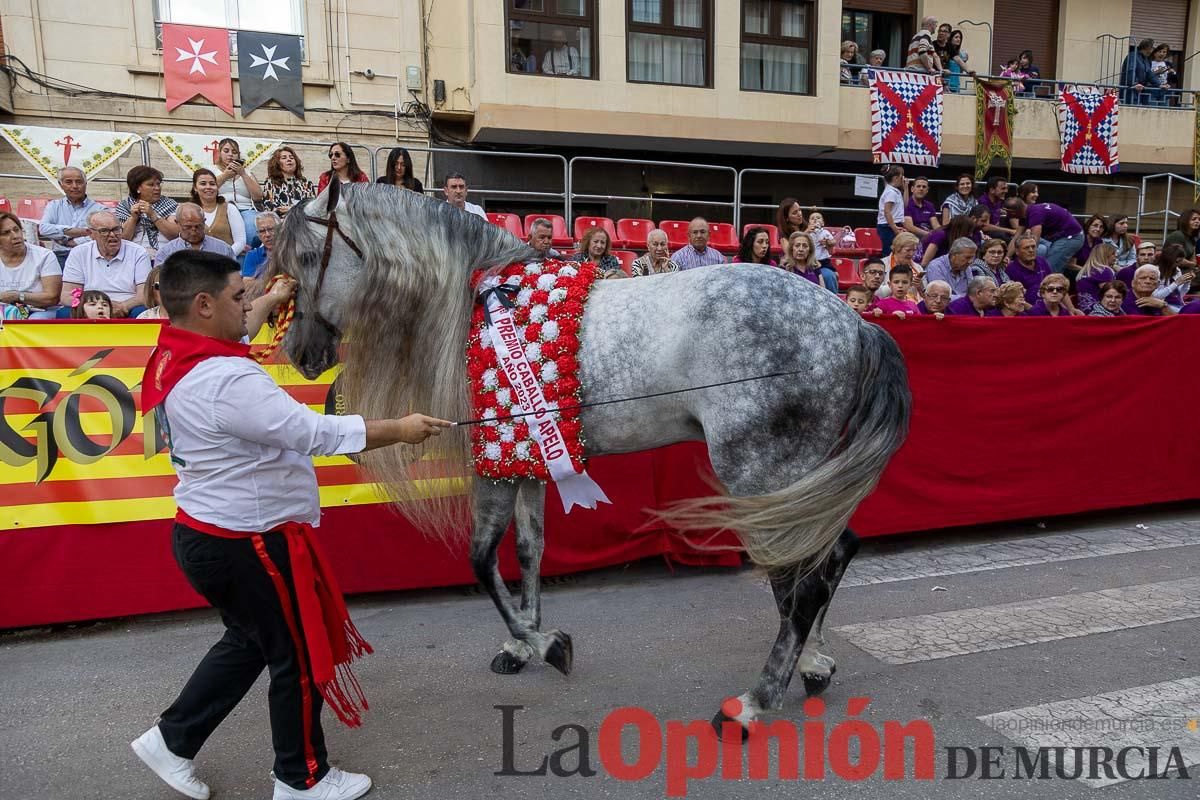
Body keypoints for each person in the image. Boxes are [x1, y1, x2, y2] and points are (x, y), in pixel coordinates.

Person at [131, 250, 450, 800]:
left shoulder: (180, 344)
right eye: (239, 296)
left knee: (249, 641)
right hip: (247, 542)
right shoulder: (227, 380)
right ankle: (301, 778)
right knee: (298, 655)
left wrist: (275, 298)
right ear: (204, 305)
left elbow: (239, 328)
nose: (248, 304)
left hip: (207, 532)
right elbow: (313, 433)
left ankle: (172, 739)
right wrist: (400, 427)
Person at [60, 210, 152, 318]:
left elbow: (145, 295)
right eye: (104, 231)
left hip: (127, 304)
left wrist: (123, 306)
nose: (113, 235)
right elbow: (67, 295)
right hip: (91, 304)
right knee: (64, 314)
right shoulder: (78, 252)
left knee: (142, 312)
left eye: (116, 229)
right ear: (91, 234)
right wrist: (93, 308)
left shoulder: (138, 252)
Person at [0, 211, 62, 319]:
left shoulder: (44, 256)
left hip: (40, 311)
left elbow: (52, 298)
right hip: (3, 311)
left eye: (16, 230)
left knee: (35, 322)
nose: (15, 236)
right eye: (6, 233)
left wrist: (17, 296)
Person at [39, 166, 103, 267]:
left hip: (89, 255)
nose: (75, 186)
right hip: (60, 255)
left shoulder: (100, 209)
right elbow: (43, 229)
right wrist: (78, 231)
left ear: (85, 184)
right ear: (61, 185)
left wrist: (72, 242)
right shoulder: (54, 206)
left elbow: (102, 234)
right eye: (69, 182)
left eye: (79, 182)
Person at [1003, 198, 1084, 275]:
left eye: (1007, 212)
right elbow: (1016, 238)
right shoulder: (1026, 214)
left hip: (1071, 237)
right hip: (1061, 237)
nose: (1006, 215)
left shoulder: (1035, 213)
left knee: (1049, 269)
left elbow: (1035, 241)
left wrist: (1028, 261)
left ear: (1013, 212)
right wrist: (1007, 257)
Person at [115, 166, 179, 258]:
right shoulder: (125, 206)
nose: (157, 188)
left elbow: (175, 235)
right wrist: (133, 219)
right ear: (137, 188)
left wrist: (153, 215)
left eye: (158, 184)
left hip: (165, 256)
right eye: (151, 185)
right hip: (134, 256)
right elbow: (123, 239)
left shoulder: (169, 204)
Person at [213, 138, 265, 245]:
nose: (230, 154)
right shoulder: (211, 170)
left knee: (252, 230)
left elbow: (258, 196)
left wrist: (243, 174)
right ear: (219, 153)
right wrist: (225, 176)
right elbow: (207, 190)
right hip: (222, 209)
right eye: (226, 151)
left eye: (234, 152)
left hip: (245, 209)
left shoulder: (247, 172)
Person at [154, 203, 237, 267]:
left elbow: (234, 280)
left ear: (204, 222)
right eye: (187, 227)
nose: (193, 232)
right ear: (177, 223)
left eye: (198, 226)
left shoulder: (223, 249)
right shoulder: (166, 252)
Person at [190, 169, 246, 257]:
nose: (208, 187)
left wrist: (225, 257)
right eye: (203, 183)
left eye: (212, 184)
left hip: (227, 262)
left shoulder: (230, 208)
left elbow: (240, 241)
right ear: (195, 187)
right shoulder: (188, 211)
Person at [262, 146, 317, 218]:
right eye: (284, 158)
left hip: (302, 222)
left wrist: (291, 209)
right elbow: (269, 207)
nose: (289, 159)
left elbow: (311, 207)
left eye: (291, 158)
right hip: (281, 222)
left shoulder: (306, 183)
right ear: (277, 163)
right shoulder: (270, 182)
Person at [1005, 233, 1053, 304]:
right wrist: (1034, 310)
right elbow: (1015, 300)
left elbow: (1055, 283)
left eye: (1033, 247)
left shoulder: (1042, 261)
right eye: (1026, 248)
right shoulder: (1011, 270)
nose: (1031, 250)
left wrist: (1071, 309)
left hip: (1049, 304)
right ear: (1017, 251)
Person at [1073, 242, 1118, 314]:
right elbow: (1109, 293)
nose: (1115, 257)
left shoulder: (1085, 271)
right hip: (1097, 311)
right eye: (1113, 254)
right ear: (1105, 255)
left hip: (1083, 309)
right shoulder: (1104, 271)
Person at [877, 232, 922, 299]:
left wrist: (920, 287)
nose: (912, 254)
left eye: (914, 250)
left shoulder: (918, 268)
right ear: (897, 248)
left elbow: (926, 295)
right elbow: (876, 293)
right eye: (908, 250)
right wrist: (902, 283)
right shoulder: (880, 265)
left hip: (914, 306)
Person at [241, 212, 280, 283]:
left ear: (280, 229)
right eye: (262, 231)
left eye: (271, 229)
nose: (267, 235)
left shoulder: (291, 252)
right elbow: (247, 285)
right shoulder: (252, 255)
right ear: (258, 234)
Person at [876, 166, 906, 256]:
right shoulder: (891, 192)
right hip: (888, 226)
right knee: (889, 252)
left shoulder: (894, 191)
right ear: (896, 178)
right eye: (902, 177)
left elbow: (905, 204)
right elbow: (887, 211)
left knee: (894, 251)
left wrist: (906, 187)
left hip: (893, 225)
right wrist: (894, 228)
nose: (903, 179)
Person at [806, 212, 839, 290]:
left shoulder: (825, 232)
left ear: (823, 223)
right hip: (810, 262)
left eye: (818, 218)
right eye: (812, 218)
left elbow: (834, 242)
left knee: (834, 275)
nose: (815, 219)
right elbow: (800, 238)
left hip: (824, 261)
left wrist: (828, 242)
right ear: (808, 223)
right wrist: (807, 231)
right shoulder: (807, 233)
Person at [1120, 38, 1155, 105]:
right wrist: (1134, 84)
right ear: (1147, 48)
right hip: (1130, 92)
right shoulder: (1133, 56)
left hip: (1140, 92)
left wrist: (1160, 84)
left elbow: (1150, 74)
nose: (1152, 51)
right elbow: (1130, 72)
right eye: (1152, 48)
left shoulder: (1146, 59)